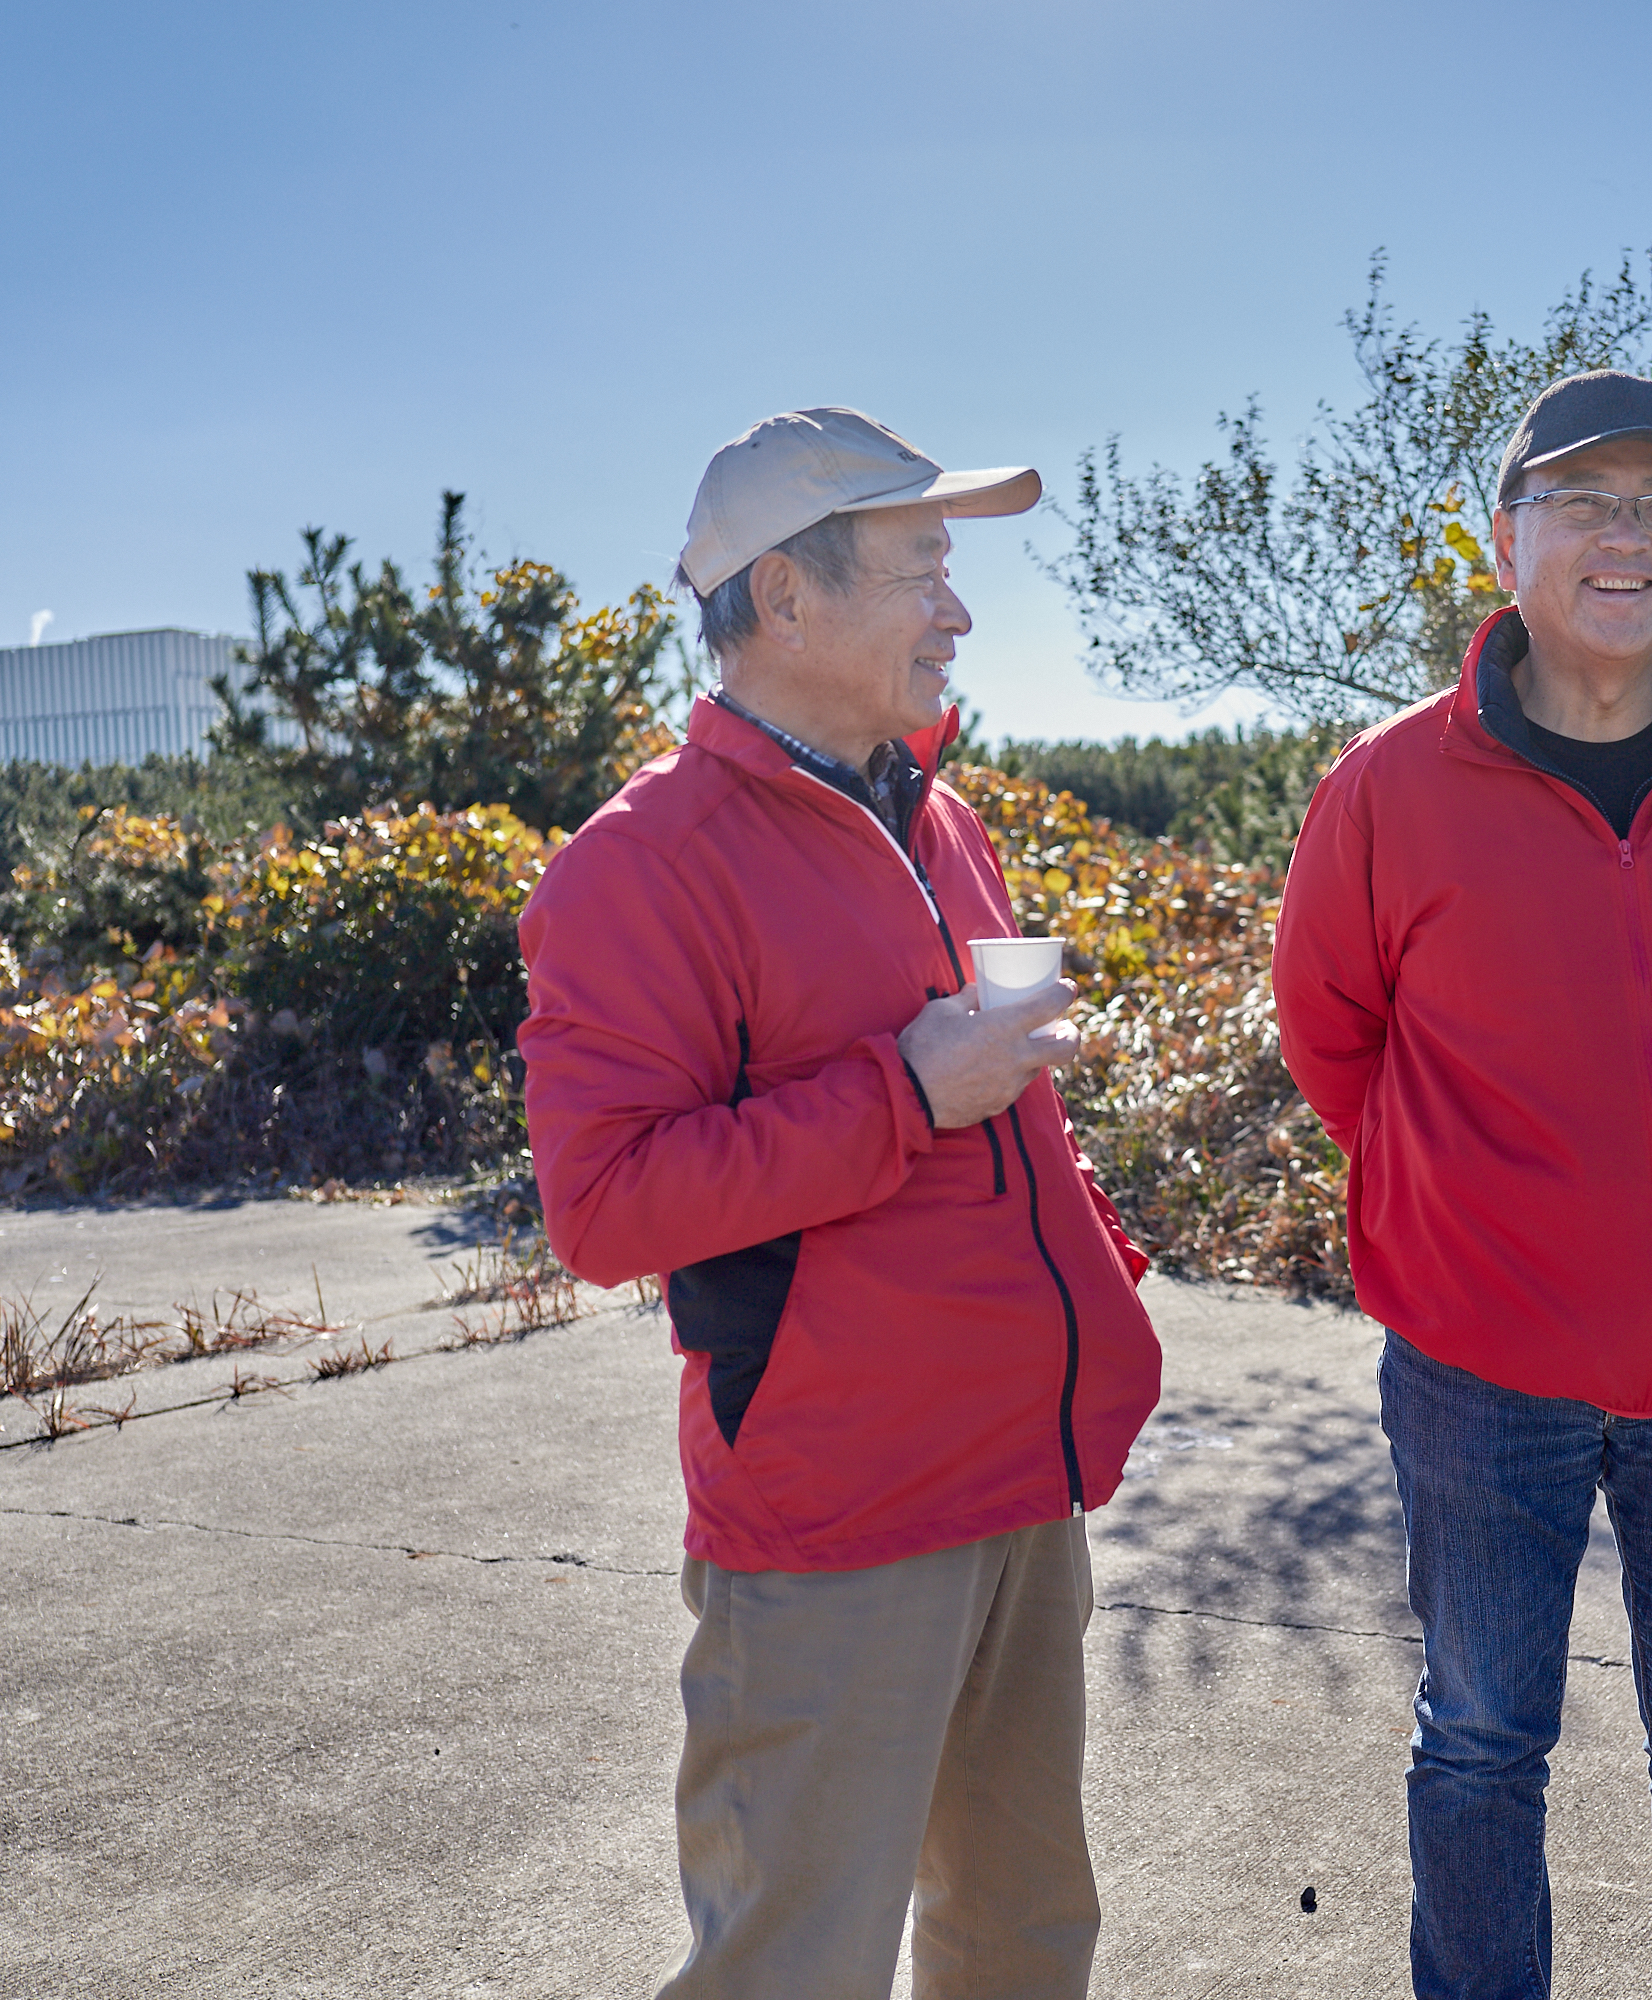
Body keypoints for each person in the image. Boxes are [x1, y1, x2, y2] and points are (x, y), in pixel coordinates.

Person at [516, 407, 1162, 2000]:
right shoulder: (640, 865)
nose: (957, 608)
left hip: (1022, 1484)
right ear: (784, 600)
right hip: (835, 1518)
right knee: (790, 1966)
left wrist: (1092, 1255)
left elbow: (986, 1113)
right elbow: (602, 1208)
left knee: (1023, 1942)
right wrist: (903, 1092)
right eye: (921, 569)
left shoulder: (944, 819)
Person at [1273, 369, 1652, 2000]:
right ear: (1505, 537)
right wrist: (1455, 1200)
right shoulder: (1388, 787)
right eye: (1585, 501)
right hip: (1480, 1366)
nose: (1629, 535)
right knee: (1477, 1741)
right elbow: (1333, 1034)